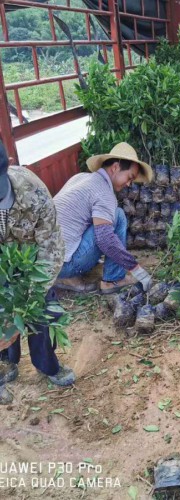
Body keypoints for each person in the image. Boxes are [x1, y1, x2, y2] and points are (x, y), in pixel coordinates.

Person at [0, 140, 76, 405]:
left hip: (33, 261)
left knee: (40, 311)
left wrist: (31, 297)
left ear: (7, 167)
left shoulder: (33, 192)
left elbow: (51, 248)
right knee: (3, 312)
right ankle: (5, 363)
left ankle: (47, 365)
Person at [53, 143, 154, 294]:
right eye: (129, 178)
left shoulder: (80, 178)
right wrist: (136, 269)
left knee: (103, 222)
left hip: (48, 264)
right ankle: (113, 279)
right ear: (115, 168)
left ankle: (64, 276)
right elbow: (105, 239)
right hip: (65, 265)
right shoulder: (103, 192)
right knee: (117, 215)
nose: (128, 184)